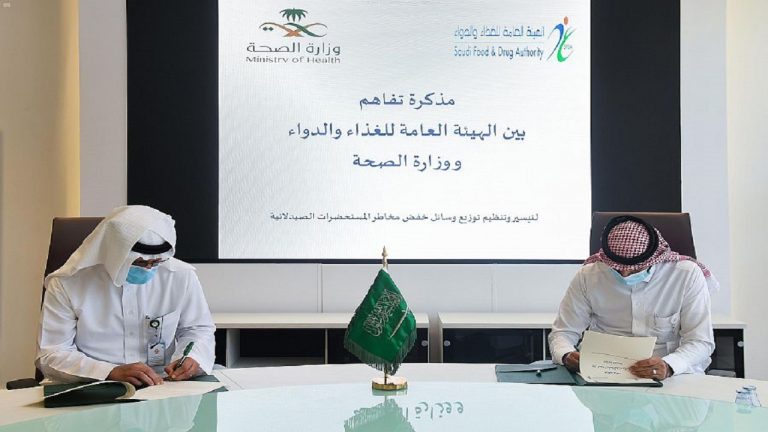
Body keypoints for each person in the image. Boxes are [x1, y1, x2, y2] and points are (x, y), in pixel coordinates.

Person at [36, 205, 216, 385]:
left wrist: (192, 357)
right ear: (114, 253)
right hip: (91, 384)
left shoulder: (180, 276)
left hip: (162, 383)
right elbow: (51, 353)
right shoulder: (67, 283)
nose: (149, 268)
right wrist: (109, 372)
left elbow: (197, 329)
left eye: (156, 262)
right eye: (140, 263)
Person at [549, 215, 717, 380]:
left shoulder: (686, 275)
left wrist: (669, 366)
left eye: (635, 268)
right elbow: (563, 332)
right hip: (600, 372)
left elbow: (700, 342)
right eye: (616, 268)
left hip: (670, 374)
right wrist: (566, 354)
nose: (625, 273)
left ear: (654, 258)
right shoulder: (589, 275)